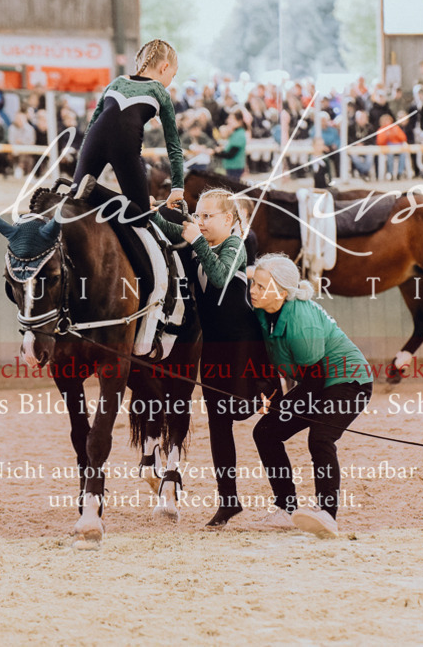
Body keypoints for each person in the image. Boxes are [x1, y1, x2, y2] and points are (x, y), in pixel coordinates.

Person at [151, 190, 275, 529]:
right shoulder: (198, 242)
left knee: (258, 417)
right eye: (199, 215)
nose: (201, 222)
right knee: (219, 425)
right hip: (214, 350)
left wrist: (195, 239)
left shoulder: (236, 246)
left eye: (208, 216)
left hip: (247, 348)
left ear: (229, 220)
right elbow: (171, 227)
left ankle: (286, 500)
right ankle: (228, 501)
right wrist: (156, 212)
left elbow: (220, 277)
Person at [248, 254, 373, 539]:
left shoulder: (301, 322)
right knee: (265, 432)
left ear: (282, 293)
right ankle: (286, 509)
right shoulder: (263, 310)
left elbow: (314, 379)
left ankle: (327, 513)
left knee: (321, 438)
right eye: (253, 284)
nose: (253, 290)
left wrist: (283, 406)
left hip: (349, 381)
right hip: (318, 380)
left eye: (261, 286)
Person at [72, 38, 184, 223]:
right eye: (173, 75)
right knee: (140, 215)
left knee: (75, 195)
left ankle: (80, 190)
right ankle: (94, 191)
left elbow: (92, 125)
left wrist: (81, 165)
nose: (171, 81)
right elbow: (174, 146)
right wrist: (177, 188)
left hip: (94, 139)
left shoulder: (117, 82)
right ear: (164, 67)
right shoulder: (159, 91)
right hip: (123, 143)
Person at [212, 109, 248, 181]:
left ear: (239, 121)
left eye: (231, 119)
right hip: (231, 167)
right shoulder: (235, 133)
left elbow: (230, 154)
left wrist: (214, 153)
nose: (228, 121)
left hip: (235, 167)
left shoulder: (239, 135)